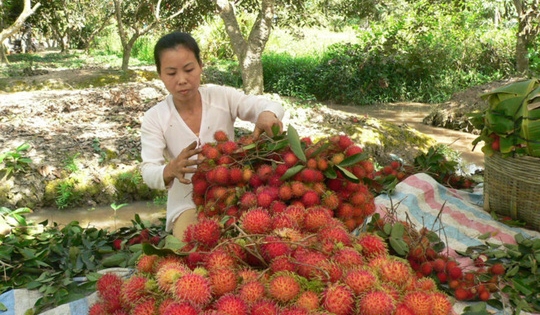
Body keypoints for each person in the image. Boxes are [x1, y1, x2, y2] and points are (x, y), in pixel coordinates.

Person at [140, 31, 285, 240]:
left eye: (189, 69)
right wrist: (169, 170)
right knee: (193, 245)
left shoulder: (221, 97)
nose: (182, 80)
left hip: (234, 196)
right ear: (160, 74)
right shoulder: (155, 117)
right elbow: (148, 171)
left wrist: (268, 115)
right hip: (186, 205)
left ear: (200, 65)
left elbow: (267, 105)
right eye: (171, 73)